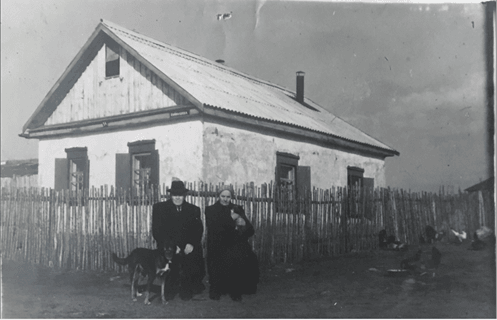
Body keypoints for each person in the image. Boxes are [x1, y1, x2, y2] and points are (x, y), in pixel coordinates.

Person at [152, 180, 205, 301]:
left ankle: (187, 287)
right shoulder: (160, 208)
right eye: (175, 195)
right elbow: (157, 232)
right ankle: (170, 287)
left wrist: (191, 243)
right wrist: (173, 246)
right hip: (169, 246)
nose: (177, 198)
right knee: (171, 261)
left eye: (180, 195)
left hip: (187, 245)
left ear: (184, 196)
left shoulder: (193, 209)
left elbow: (198, 230)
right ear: (170, 195)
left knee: (193, 256)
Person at [205, 185, 260, 302]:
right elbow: (214, 228)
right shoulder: (211, 210)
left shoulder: (237, 208)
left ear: (231, 197)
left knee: (241, 256)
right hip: (218, 243)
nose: (225, 199)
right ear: (218, 196)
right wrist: (231, 219)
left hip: (234, 243)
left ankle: (235, 290)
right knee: (219, 258)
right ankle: (216, 289)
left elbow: (250, 230)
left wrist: (244, 223)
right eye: (223, 196)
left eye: (228, 197)